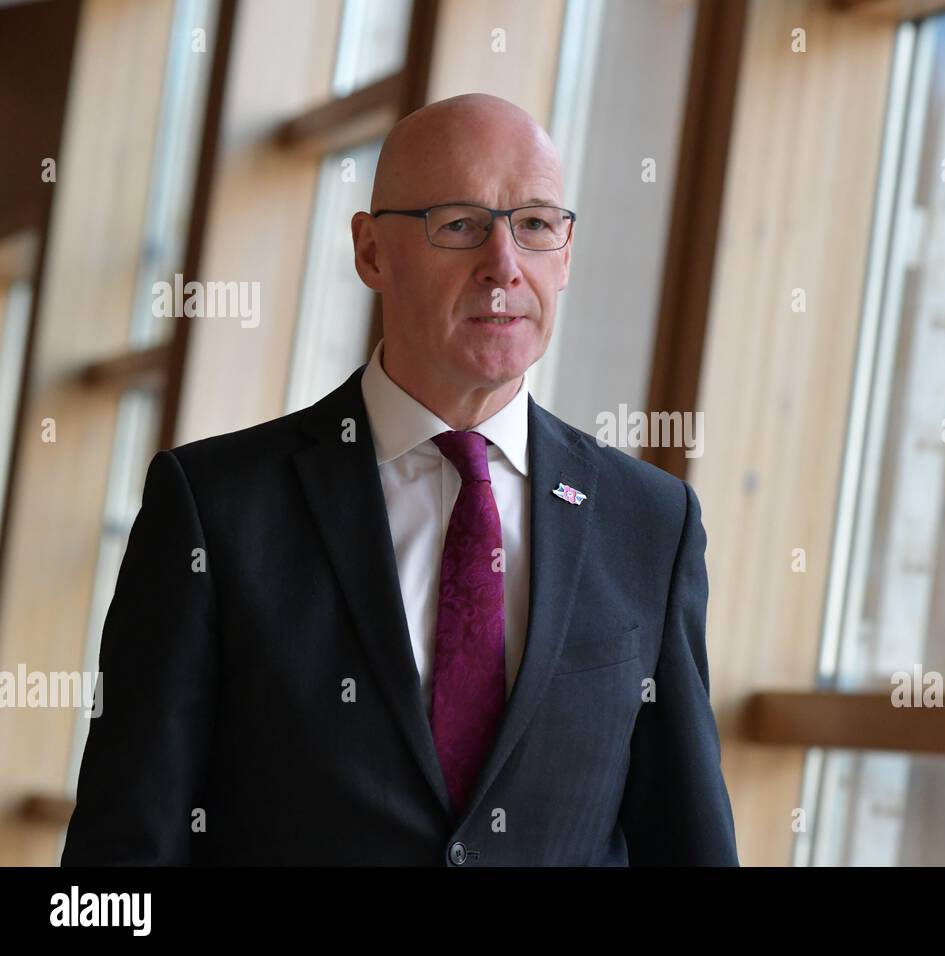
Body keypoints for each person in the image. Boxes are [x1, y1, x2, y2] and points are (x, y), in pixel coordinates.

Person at [61, 93, 739, 866]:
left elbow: (687, 840)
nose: (504, 266)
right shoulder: (214, 508)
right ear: (371, 252)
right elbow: (122, 856)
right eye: (458, 225)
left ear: (568, 253)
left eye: (537, 225)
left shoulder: (650, 521)